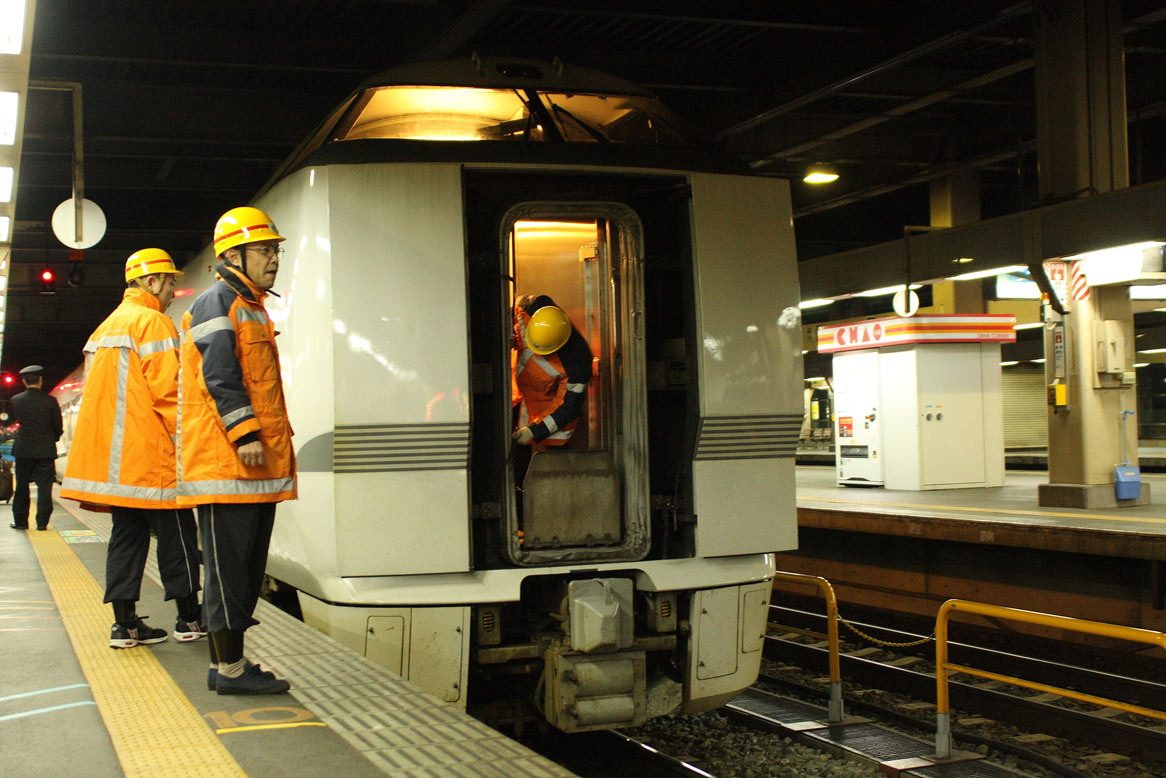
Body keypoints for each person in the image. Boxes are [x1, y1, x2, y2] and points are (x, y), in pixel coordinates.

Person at [60, 249, 206, 649]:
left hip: (117, 467)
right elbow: (170, 393)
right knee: (178, 537)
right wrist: (191, 443)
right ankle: (190, 619)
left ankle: (124, 626)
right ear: (152, 282)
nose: (173, 292)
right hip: (153, 459)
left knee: (125, 539)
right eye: (171, 282)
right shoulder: (152, 322)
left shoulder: (103, 329)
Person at [178, 206, 296, 695]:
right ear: (233, 256)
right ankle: (229, 670)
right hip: (227, 463)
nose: (273, 259)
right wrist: (245, 433)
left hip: (250, 467)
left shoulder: (249, 305)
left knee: (245, 571)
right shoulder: (217, 302)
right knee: (228, 572)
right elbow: (219, 373)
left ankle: (226, 663)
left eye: (274, 250)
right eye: (263, 250)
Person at [512, 294, 592, 448]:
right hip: (511, 393)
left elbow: (568, 407)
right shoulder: (529, 308)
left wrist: (535, 431)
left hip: (536, 408)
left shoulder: (579, 363)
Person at [9, 365, 62, 531]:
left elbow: (15, 422)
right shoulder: (51, 401)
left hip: (23, 450)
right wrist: (50, 440)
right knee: (45, 487)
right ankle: (42, 523)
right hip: (45, 451)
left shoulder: (15, 400)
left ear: (24, 381)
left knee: (21, 486)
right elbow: (58, 427)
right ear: (40, 380)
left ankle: (21, 522)